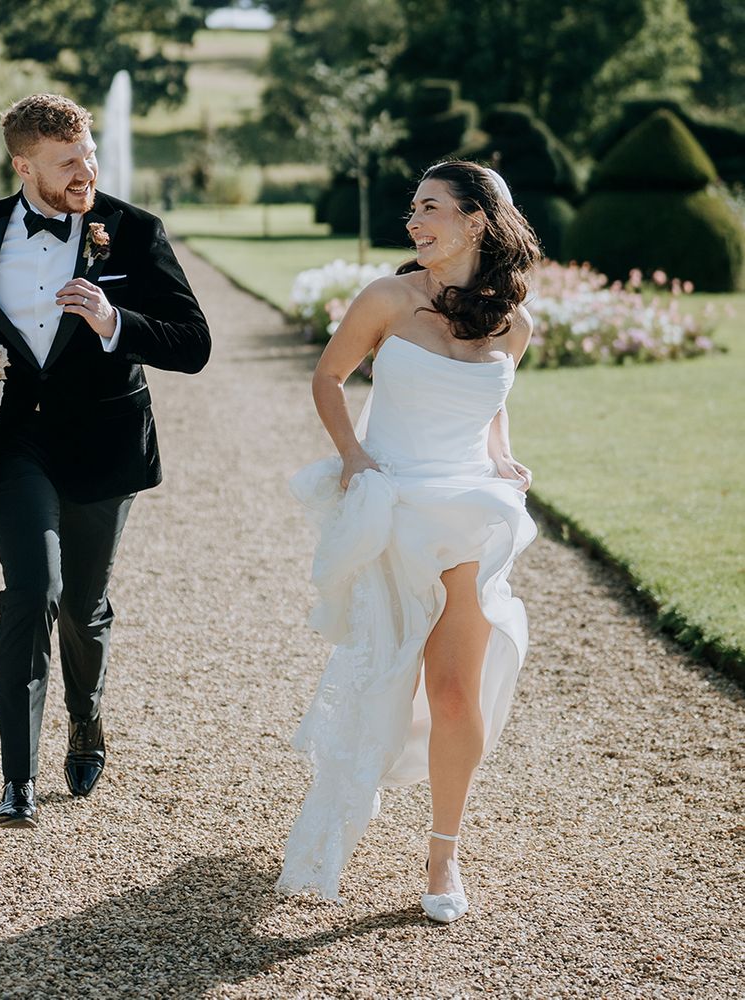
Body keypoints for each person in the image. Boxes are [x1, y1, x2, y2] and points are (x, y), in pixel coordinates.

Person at [0, 93, 211, 829]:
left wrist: (114, 322)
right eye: (68, 161)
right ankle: (18, 779)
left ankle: (87, 716)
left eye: (90, 155)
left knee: (82, 607)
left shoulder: (134, 232)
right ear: (23, 165)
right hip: (14, 441)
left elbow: (194, 343)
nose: (88, 170)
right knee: (31, 591)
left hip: (105, 442)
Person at [276, 161, 540, 922]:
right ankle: (355, 803)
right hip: (395, 510)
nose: (414, 220)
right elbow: (329, 378)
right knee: (386, 683)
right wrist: (355, 458)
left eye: (431, 208)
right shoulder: (388, 299)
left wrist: (499, 454)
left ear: (476, 222)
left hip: (471, 514)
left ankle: (444, 854)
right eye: (413, 209)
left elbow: (493, 402)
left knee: (456, 691)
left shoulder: (515, 323)